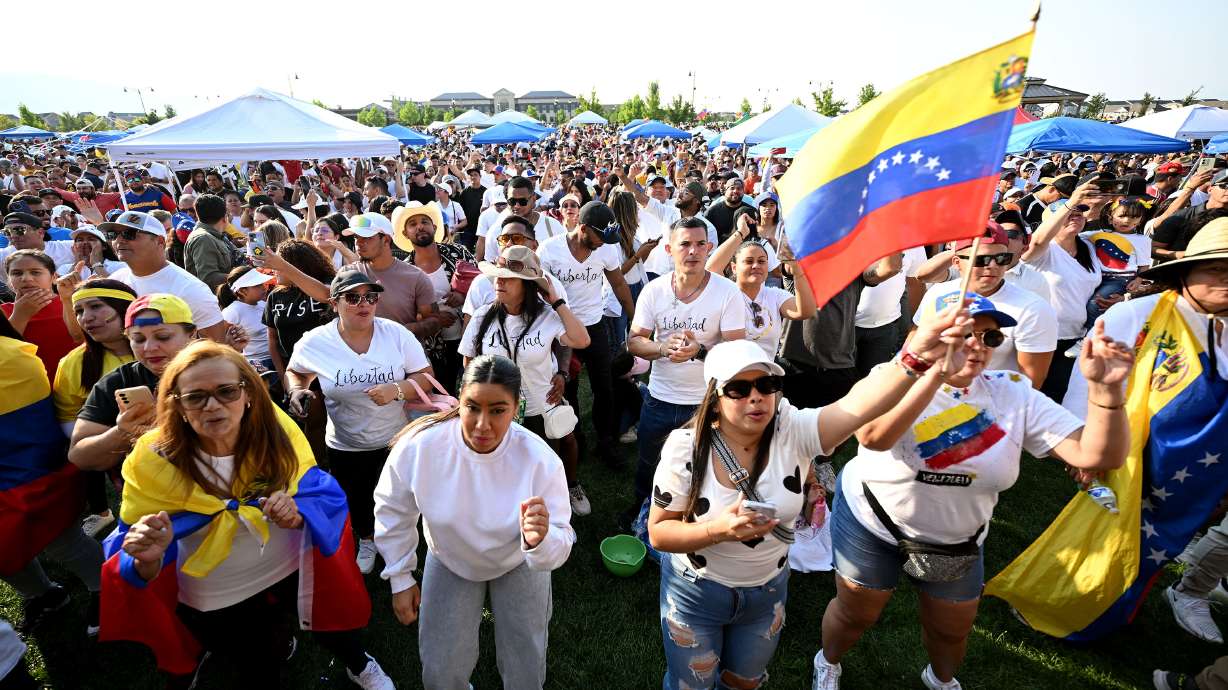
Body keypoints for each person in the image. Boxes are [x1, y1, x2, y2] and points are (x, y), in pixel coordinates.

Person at [810, 292, 1132, 690]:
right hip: (874, 522)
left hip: (956, 538)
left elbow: (1095, 455)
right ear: (927, 333)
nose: (977, 346)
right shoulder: (891, 377)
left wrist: (1106, 393)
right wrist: (933, 374)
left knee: (951, 630)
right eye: (963, 333)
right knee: (857, 613)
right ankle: (829, 660)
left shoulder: (1013, 391)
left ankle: (941, 679)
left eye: (990, 338)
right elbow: (874, 436)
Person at [646, 297, 970, 689]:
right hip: (696, 592)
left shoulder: (793, 429)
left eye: (768, 385)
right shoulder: (686, 448)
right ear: (714, 397)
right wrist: (719, 531)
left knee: (744, 682)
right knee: (690, 685)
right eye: (739, 388)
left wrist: (914, 356)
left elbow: (858, 405)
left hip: (766, 593)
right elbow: (660, 534)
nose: (756, 397)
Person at [103, 341, 394, 689]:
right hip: (215, 588)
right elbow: (135, 554)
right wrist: (149, 559)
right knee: (256, 667)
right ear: (177, 405)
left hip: (288, 564)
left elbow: (318, 493)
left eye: (226, 391)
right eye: (195, 397)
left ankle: (358, 663)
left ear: (249, 394)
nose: (212, 406)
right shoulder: (149, 459)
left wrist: (297, 514)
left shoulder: (276, 430)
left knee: (332, 625)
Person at [1060, 218, 1228, 646]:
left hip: (1192, 475)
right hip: (1123, 455)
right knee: (1093, 539)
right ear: (1185, 273)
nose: (1227, 282)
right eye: (1217, 269)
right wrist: (1082, 445)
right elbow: (1087, 382)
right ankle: (1063, 603)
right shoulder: (1138, 314)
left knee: (1152, 549)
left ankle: (1109, 613)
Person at [374, 354, 575, 690]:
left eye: (498, 410)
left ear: (516, 408)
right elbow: (393, 506)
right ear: (460, 399)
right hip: (450, 557)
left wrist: (541, 540)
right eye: (473, 407)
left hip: (517, 561)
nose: (483, 425)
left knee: (525, 660)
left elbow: (561, 540)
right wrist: (400, 575)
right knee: (441, 667)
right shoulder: (422, 445)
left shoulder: (539, 459)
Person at [285, 269, 434, 575]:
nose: (363, 304)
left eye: (371, 297)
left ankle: (402, 546)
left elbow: (425, 375)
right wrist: (298, 390)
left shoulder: (395, 334)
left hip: (397, 438)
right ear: (334, 302)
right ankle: (367, 539)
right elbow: (296, 371)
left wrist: (397, 389)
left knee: (401, 497)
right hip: (346, 443)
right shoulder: (316, 341)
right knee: (359, 498)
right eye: (352, 298)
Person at [626, 217, 747, 525]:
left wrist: (701, 351)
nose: (693, 251)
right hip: (660, 397)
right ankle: (642, 510)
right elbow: (635, 341)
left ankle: (689, 520)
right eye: (685, 244)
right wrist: (663, 348)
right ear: (669, 250)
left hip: (706, 401)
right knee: (649, 462)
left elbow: (737, 352)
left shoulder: (727, 293)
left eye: (699, 244)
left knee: (702, 466)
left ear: (709, 248)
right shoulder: (654, 291)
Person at [459, 244, 592, 514]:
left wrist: (557, 301)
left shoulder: (547, 317)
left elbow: (581, 339)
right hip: (499, 409)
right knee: (505, 462)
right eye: (498, 275)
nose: (499, 281)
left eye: (508, 277)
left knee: (547, 460)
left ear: (528, 284)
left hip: (540, 403)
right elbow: (469, 361)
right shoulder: (484, 316)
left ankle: (565, 492)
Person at [0, 309, 104, 638]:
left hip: (30, 472)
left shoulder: (12, 358)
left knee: (61, 538)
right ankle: (43, 593)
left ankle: (110, 587)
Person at [538, 201, 634, 468]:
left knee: (604, 386)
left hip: (594, 325)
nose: (603, 242)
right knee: (567, 386)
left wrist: (634, 317)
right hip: (561, 329)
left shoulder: (606, 249)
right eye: (599, 236)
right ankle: (574, 437)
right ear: (582, 228)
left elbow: (617, 282)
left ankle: (606, 441)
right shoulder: (550, 251)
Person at [913, 222, 1057, 389]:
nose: (993, 266)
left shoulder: (1033, 309)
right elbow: (913, 343)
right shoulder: (937, 293)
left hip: (991, 406)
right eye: (981, 260)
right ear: (957, 262)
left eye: (1002, 258)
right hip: (930, 397)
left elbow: (1030, 383)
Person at [52, 279, 137, 539]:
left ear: (125, 308)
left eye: (96, 307)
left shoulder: (155, 348)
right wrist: (105, 441)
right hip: (118, 454)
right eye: (79, 311)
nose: (86, 318)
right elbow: (66, 414)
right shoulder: (74, 363)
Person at [1022, 181, 1105, 403]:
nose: (1074, 215)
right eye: (1065, 213)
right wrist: (1072, 202)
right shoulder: (1043, 252)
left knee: (1061, 398)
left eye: (1079, 212)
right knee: (1034, 398)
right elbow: (1037, 240)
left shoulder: (1089, 246)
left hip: (1077, 338)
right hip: (1044, 337)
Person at [102, 210, 230, 342]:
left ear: (160, 241)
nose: (119, 240)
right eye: (113, 234)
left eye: (129, 234)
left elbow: (214, 348)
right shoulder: (114, 282)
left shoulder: (190, 289)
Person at [705, 219, 817, 358]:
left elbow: (804, 311)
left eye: (762, 261)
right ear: (734, 268)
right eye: (749, 261)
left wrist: (796, 269)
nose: (756, 265)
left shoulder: (775, 295)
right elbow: (710, 270)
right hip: (731, 376)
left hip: (766, 374)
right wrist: (741, 233)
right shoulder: (726, 292)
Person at [393, 202, 471, 391]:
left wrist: (462, 295)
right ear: (405, 233)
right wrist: (433, 319)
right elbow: (405, 311)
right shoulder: (404, 270)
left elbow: (481, 287)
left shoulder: (458, 253)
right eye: (412, 224)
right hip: (430, 347)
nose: (419, 226)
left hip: (467, 339)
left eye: (424, 221)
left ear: (434, 227)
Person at [338, 212, 442, 339]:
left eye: (366, 238)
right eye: (356, 237)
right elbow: (328, 297)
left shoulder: (416, 277)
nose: (358, 243)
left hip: (403, 355)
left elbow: (433, 321)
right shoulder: (347, 274)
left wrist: (395, 332)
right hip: (358, 356)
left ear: (386, 239)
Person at [3, 250, 76, 382]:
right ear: (8, 280)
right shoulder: (3, 312)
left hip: (72, 386)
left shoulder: (72, 304)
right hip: (30, 391)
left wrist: (68, 300)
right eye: (17, 273)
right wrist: (20, 316)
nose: (26, 278)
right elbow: (4, 354)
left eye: (35, 272)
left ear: (54, 277)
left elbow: (82, 340)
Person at [218, 266, 275, 372]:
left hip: (276, 358)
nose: (264, 287)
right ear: (242, 291)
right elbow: (220, 343)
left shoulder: (264, 304)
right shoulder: (232, 312)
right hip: (255, 363)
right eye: (257, 285)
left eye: (262, 283)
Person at [184, 194, 241, 291]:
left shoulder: (215, 235)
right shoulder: (203, 239)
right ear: (224, 217)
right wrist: (242, 277)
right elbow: (209, 277)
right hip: (217, 300)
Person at [56, 225, 125, 280]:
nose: (85, 242)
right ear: (74, 247)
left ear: (104, 246)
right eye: (80, 240)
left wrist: (96, 263)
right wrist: (77, 264)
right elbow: (62, 289)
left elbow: (118, 289)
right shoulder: (64, 268)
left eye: (91, 239)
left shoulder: (119, 266)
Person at [704, 177, 754, 244]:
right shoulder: (712, 212)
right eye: (732, 188)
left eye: (739, 188)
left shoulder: (750, 211)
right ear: (725, 191)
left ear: (743, 192)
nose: (735, 191)